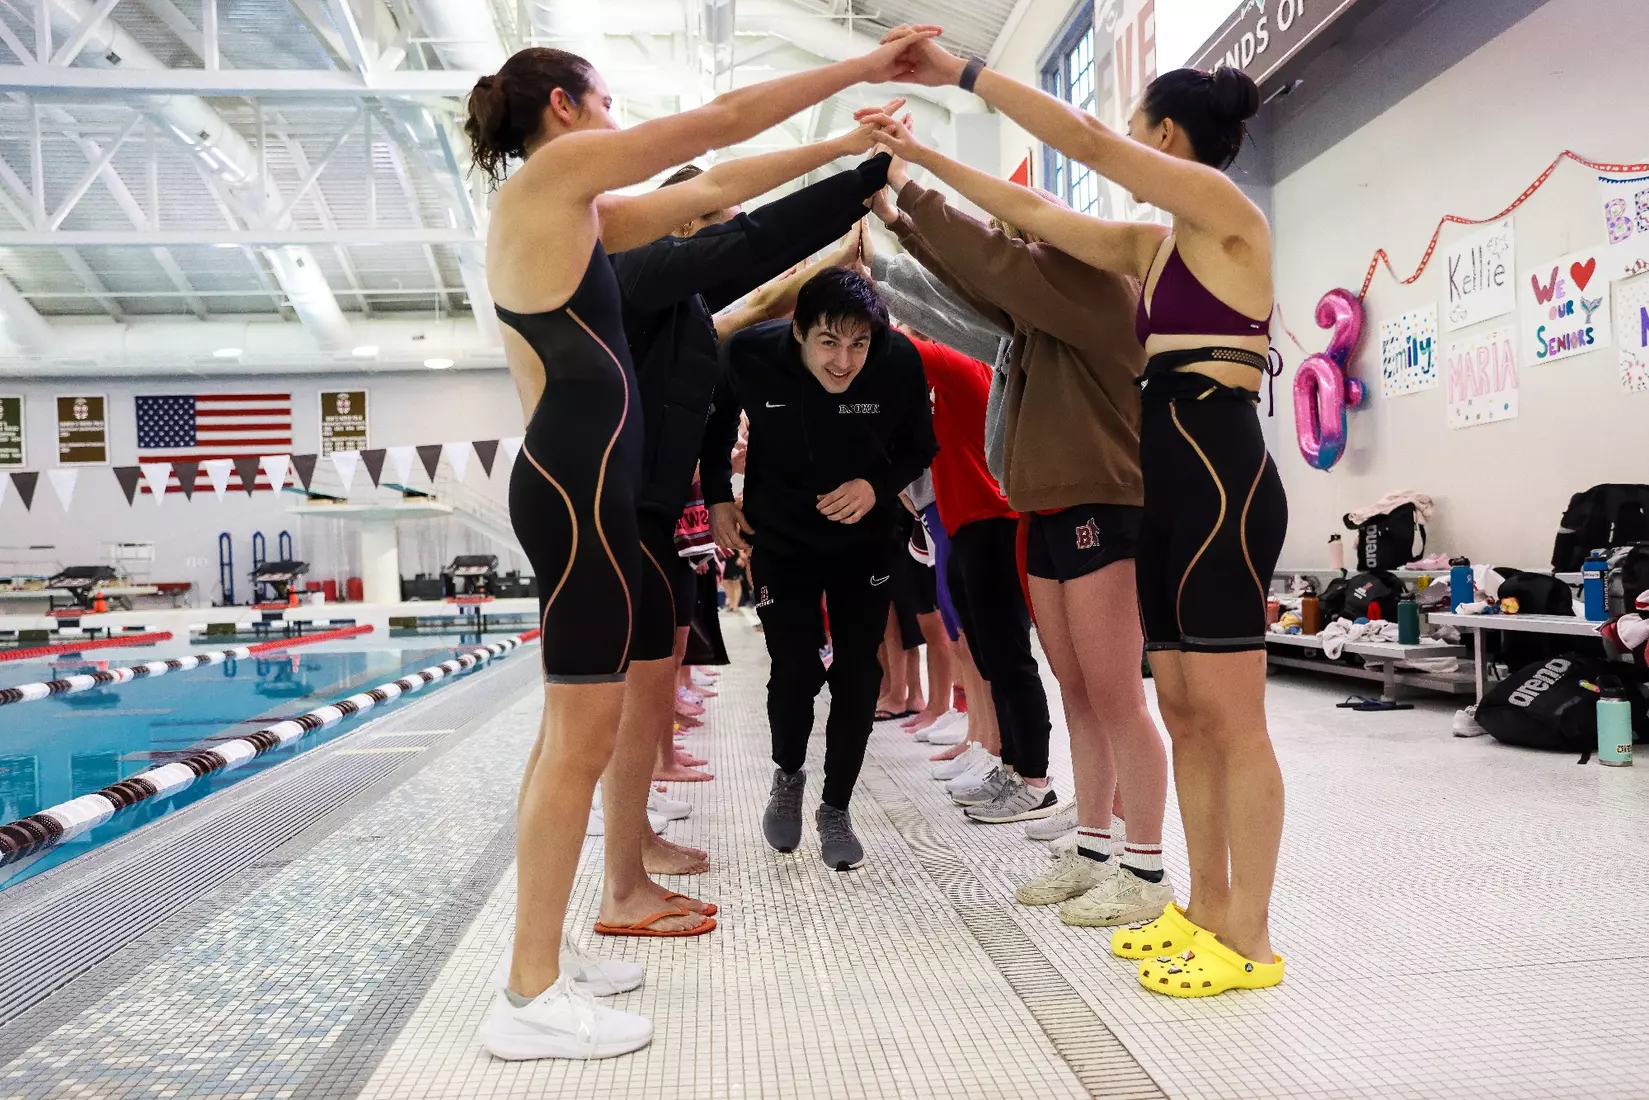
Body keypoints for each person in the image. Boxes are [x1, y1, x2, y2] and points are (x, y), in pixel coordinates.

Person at [464, 29, 939, 1060]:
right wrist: (858, 72)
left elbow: (721, 191)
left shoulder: (582, 214)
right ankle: (527, 992)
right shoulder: (554, 175)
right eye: (606, 101)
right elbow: (718, 129)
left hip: (586, 487)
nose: (616, 118)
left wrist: (852, 166)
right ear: (562, 107)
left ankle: (544, 958)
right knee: (574, 740)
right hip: (582, 490)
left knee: (578, 736)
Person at [866, 34, 1287, 997]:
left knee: (1230, 718)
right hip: (1169, 480)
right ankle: (1209, 909)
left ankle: (1252, 939)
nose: (1121, 146)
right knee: (1182, 708)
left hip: (1219, 472)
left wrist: (962, 77)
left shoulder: (1225, 214)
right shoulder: (1148, 250)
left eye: (1137, 129)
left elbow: (1086, 145)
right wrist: (917, 160)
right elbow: (1031, 215)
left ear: (1165, 134)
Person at [863, 138, 1171, 932]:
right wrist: (896, 219)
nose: (1024, 248)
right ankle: (1096, 843)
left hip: (1105, 509)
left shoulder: (1101, 292)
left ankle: (1144, 865)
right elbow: (968, 284)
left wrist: (910, 182)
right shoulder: (1036, 323)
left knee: (1115, 696)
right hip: (1045, 515)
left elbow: (993, 264)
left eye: (1036, 235)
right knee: (1076, 690)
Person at [597, 134, 900, 888]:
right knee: (626, 696)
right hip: (624, 509)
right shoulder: (636, 272)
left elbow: (755, 301)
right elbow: (755, 254)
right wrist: (855, 183)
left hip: (654, 512)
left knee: (648, 684)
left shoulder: (680, 303)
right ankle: (621, 868)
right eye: (720, 222)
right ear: (688, 224)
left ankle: (632, 845)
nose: (732, 235)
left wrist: (834, 253)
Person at [703, 268, 937, 870]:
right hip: (781, 536)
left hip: (864, 539)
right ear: (798, 332)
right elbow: (716, 421)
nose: (844, 361)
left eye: (858, 344)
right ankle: (788, 773)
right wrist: (719, 497)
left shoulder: (897, 359)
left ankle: (836, 807)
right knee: (794, 668)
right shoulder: (749, 352)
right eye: (829, 342)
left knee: (860, 672)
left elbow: (920, 445)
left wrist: (875, 486)